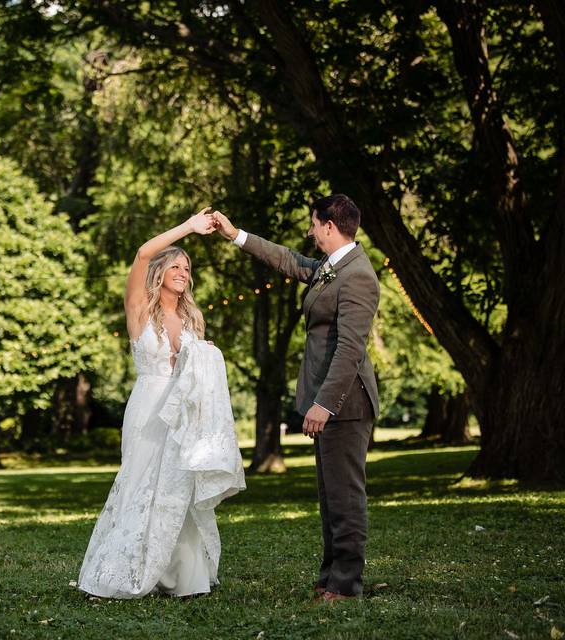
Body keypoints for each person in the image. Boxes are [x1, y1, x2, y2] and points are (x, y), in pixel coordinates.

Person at [209, 195, 380, 601]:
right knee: (329, 497)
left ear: (328, 225)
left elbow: (350, 349)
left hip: (346, 403)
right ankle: (329, 577)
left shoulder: (358, 275)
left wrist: (324, 404)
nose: (309, 231)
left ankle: (346, 584)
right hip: (331, 401)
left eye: (313, 224)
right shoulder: (331, 267)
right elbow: (290, 260)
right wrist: (236, 235)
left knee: (346, 497)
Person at [77, 208, 246, 599]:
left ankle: (180, 578)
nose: (184, 272)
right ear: (161, 273)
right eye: (177, 265)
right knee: (139, 486)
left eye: (188, 268)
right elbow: (141, 253)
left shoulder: (191, 320)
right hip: (148, 409)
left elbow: (197, 374)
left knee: (177, 489)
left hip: (181, 413)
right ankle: (126, 572)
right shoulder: (139, 310)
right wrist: (189, 227)